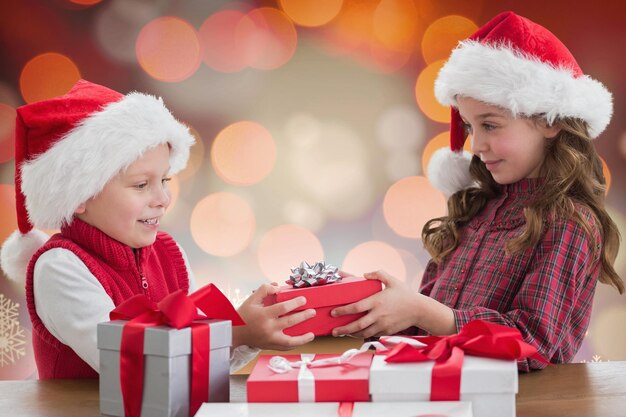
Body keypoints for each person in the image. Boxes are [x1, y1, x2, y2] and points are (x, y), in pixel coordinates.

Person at [330, 11, 623, 371]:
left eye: (490, 125)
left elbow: (533, 344)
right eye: (470, 126)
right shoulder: (477, 210)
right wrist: (375, 303)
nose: (477, 144)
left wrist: (423, 309)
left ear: (550, 122)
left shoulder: (568, 222)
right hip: (450, 396)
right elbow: (431, 330)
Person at [0, 79, 315, 379]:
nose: (164, 199)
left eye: (164, 180)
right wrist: (236, 333)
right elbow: (129, 360)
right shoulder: (59, 267)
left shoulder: (168, 253)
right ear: (80, 194)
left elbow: (197, 362)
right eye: (141, 185)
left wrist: (249, 330)